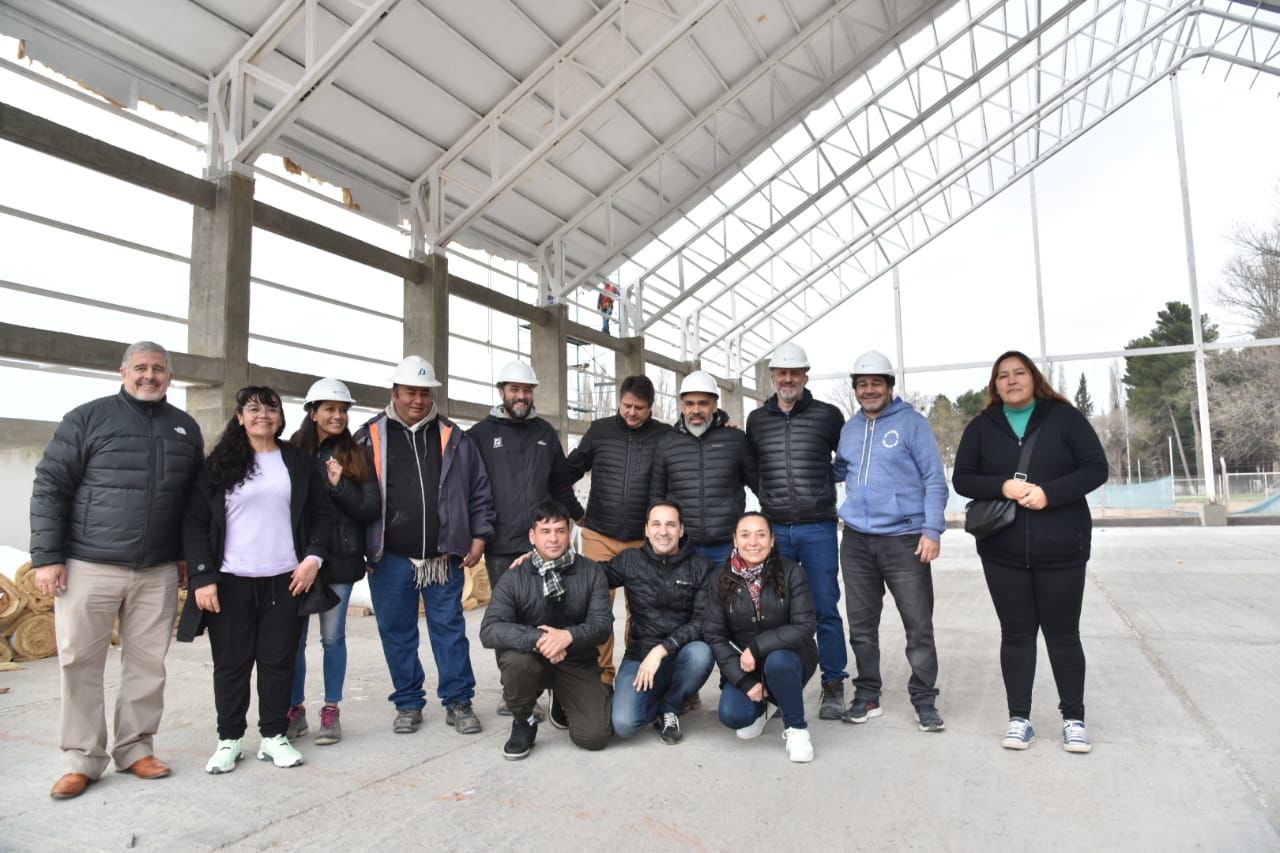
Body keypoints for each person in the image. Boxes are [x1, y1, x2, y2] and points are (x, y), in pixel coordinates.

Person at [30, 341, 203, 799]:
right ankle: (82, 759)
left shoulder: (185, 428)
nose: (150, 376)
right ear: (123, 372)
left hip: (157, 568)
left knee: (147, 664)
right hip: (89, 564)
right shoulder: (87, 419)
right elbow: (50, 487)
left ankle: (136, 748)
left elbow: (193, 502)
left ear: (170, 377)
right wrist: (48, 557)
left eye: (159, 369)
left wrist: (187, 554)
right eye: (141, 368)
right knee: (79, 662)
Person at [952, 350, 1108, 754]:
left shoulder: (1064, 418)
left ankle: (1074, 720)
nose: (1011, 380)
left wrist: (1049, 494)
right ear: (995, 385)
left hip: (1062, 548)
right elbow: (963, 478)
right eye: (1002, 375)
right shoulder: (982, 425)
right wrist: (1002, 486)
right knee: (1016, 635)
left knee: (1063, 635)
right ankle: (1019, 719)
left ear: (1034, 378)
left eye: (1019, 372)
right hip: (1002, 551)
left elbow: (1096, 468)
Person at [181, 385, 333, 774]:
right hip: (230, 580)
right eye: (253, 408)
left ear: (281, 417)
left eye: (271, 408)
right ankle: (229, 739)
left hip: (286, 579)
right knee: (231, 663)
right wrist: (202, 577)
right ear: (239, 417)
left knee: (278, 661)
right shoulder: (218, 464)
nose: (262, 415)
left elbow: (321, 514)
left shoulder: (297, 461)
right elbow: (195, 523)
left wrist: (313, 559)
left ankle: (274, 736)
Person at [354, 356, 493, 736]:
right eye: (410, 392)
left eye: (424, 393)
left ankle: (458, 701)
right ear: (394, 393)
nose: (418, 400)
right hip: (390, 558)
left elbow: (479, 490)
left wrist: (479, 536)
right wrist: (357, 548)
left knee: (449, 630)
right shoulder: (368, 438)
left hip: (442, 556)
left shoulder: (454, 438)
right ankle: (408, 702)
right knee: (396, 631)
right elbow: (351, 499)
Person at [833, 350, 949, 732]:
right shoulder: (849, 429)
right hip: (856, 541)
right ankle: (867, 693)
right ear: (855, 389)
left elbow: (934, 478)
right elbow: (840, 469)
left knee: (918, 624)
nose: (869, 390)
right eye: (862, 384)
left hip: (904, 540)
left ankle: (924, 699)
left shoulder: (912, 424)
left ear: (889, 386)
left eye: (876, 383)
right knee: (861, 626)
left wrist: (932, 530)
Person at [471, 359, 583, 719]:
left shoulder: (545, 433)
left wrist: (580, 515)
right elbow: (471, 489)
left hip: (544, 545)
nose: (521, 396)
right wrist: (477, 534)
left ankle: (556, 686)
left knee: (552, 613)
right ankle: (516, 691)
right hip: (502, 545)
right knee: (509, 619)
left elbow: (560, 484)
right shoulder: (479, 435)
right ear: (501, 391)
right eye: (514, 389)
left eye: (526, 390)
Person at [745, 342, 848, 720]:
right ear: (773, 376)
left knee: (824, 606)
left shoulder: (828, 416)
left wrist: (823, 482)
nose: (788, 379)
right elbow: (752, 466)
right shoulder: (757, 420)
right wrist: (768, 494)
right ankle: (776, 684)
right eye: (781, 373)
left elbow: (847, 458)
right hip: (775, 530)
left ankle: (833, 682)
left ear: (805, 375)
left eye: (795, 373)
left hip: (818, 527)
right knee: (774, 610)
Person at [284, 378, 381, 745]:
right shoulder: (292, 451)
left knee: (332, 637)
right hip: (297, 561)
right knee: (293, 641)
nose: (337, 416)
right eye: (329, 409)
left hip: (340, 558)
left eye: (342, 410)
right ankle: (295, 710)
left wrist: (340, 485)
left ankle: (331, 709)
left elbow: (370, 507)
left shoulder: (356, 454)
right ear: (313, 412)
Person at [479, 500, 613, 760]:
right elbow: (490, 630)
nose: (553, 538)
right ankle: (524, 720)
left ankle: (563, 698)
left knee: (594, 737)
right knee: (516, 662)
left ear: (569, 533)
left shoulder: (591, 571)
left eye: (560, 531)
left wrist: (568, 636)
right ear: (532, 536)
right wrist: (540, 638)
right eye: (545, 531)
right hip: (532, 659)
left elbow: (602, 626)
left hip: (577, 661)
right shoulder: (514, 576)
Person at [566, 374, 671, 689]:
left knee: (642, 610)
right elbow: (566, 472)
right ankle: (602, 677)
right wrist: (575, 512)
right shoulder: (600, 431)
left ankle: (635, 673)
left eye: (639, 407)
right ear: (619, 402)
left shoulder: (664, 436)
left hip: (643, 541)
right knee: (597, 607)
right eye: (627, 405)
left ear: (651, 408)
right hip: (600, 534)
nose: (632, 412)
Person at [703, 512, 819, 763]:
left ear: (772, 539)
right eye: (745, 535)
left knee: (778, 662)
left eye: (761, 535)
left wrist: (757, 647)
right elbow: (715, 635)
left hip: (790, 658)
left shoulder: (792, 572)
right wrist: (745, 682)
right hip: (747, 667)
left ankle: (797, 729)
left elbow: (805, 626)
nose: (753, 542)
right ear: (735, 540)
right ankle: (766, 706)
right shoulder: (720, 578)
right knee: (733, 715)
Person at [603, 501, 715, 744]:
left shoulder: (701, 566)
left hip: (680, 655)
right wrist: (540, 558)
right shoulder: (630, 560)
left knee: (702, 654)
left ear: (681, 529)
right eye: (656, 524)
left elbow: (701, 622)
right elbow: (590, 576)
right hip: (639, 655)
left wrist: (662, 650)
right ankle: (659, 697)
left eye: (670, 525)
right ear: (646, 529)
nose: (663, 531)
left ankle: (670, 707)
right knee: (624, 724)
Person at [649, 370, 756, 565]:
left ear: (715, 405)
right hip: (682, 547)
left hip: (726, 546)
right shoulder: (667, 443)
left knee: (727, 587)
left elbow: (759, 484)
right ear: (683, 406)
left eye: (703, 403)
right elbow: (656, 496)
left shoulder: (736, 440)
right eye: (690, 403)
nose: (696, 410)